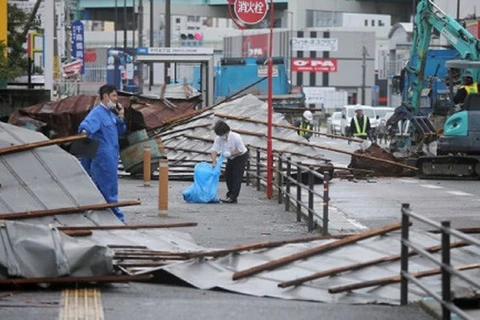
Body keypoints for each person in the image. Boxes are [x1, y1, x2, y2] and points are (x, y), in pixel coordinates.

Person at [78, 84, 127, 221]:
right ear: (105, 96)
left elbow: (120, 129)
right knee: (108, 189)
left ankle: (102, 217)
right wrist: (83, 133)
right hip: (103, 159)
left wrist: (121, 116)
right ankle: (117, 219)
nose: (116, 99)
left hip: (111, 156)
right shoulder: (97, 113)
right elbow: (85, 127)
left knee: (105, 188)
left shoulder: (110, 114)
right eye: (114, 96)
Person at [210, 120, 248, 204]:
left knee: (236, 176)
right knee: (228, 175)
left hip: (240, 157)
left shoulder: (236, 137)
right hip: (230, 158)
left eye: (222, 134)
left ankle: (233, 197)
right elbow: (214, 150)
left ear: (227, 132)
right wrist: (214, 162)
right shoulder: (219, 138)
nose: (221, 136)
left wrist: (230, 153)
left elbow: (240, 150)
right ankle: (229, 194)